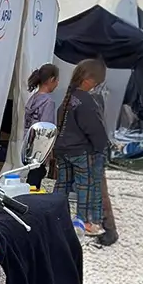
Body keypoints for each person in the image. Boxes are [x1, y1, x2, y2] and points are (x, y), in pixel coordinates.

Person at [49, 58, 119, 243]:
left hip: (62, 149)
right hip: (81, 151)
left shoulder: (68, 99)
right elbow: (94, 129)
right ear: (90, 80)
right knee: (85, 187)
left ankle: (55, 219)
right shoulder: (86, 101)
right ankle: (86, 222)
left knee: (62, 186)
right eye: (97, 82)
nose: (97, 85)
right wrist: (102, 148)